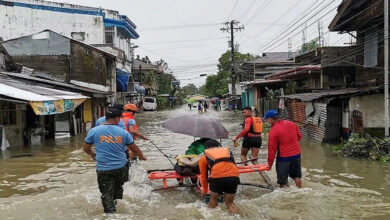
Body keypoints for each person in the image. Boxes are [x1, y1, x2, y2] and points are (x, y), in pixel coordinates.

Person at [83, 108, 146, 213]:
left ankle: (111, 214)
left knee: (106, 193)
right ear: (117, 119)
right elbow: (134, 148)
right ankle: (118, 205)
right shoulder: (123, 132)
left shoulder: (94, 131)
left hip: (103, 169)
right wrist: (141, 156)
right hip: (120, 167)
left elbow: (85, 148)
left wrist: (92, 154)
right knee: (118, 188)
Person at [198, 139, 240, 214]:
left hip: (217, 177)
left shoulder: (204, 157)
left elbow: (204, 177)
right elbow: (234, 165)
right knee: (230, 203)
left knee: (213, 199)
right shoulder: (228, 152)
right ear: (218, 147)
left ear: (206, 148)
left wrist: (204, 191)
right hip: (234, 176)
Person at [264, 110, 302, 188]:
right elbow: (299, 136)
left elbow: (272, 149)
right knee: (297, 177)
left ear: (270, 119)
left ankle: (286, 197)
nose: (267, 122)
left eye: (266, 119)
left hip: (284, 158)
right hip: (297, 155)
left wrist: (269, 164)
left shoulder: (273, 131)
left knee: (283, 182)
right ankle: (300, 190)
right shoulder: (292, 123)